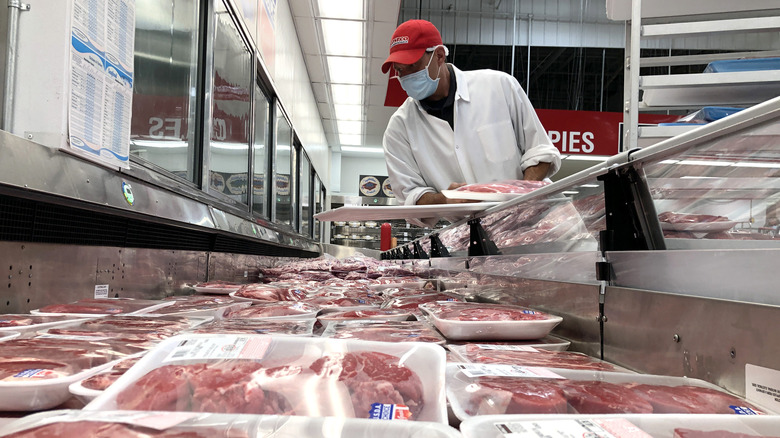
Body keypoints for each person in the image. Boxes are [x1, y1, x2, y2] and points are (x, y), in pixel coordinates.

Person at [381, 19, 561, 212]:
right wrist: (443, 199)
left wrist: (520, 197)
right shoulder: (399, 128)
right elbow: (410, 196)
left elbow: (540, 153)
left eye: (413, 66)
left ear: (439, 56)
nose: (406, 76)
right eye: (400, 70)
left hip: (541, 216)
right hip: (476, 233)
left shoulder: (499, 86)